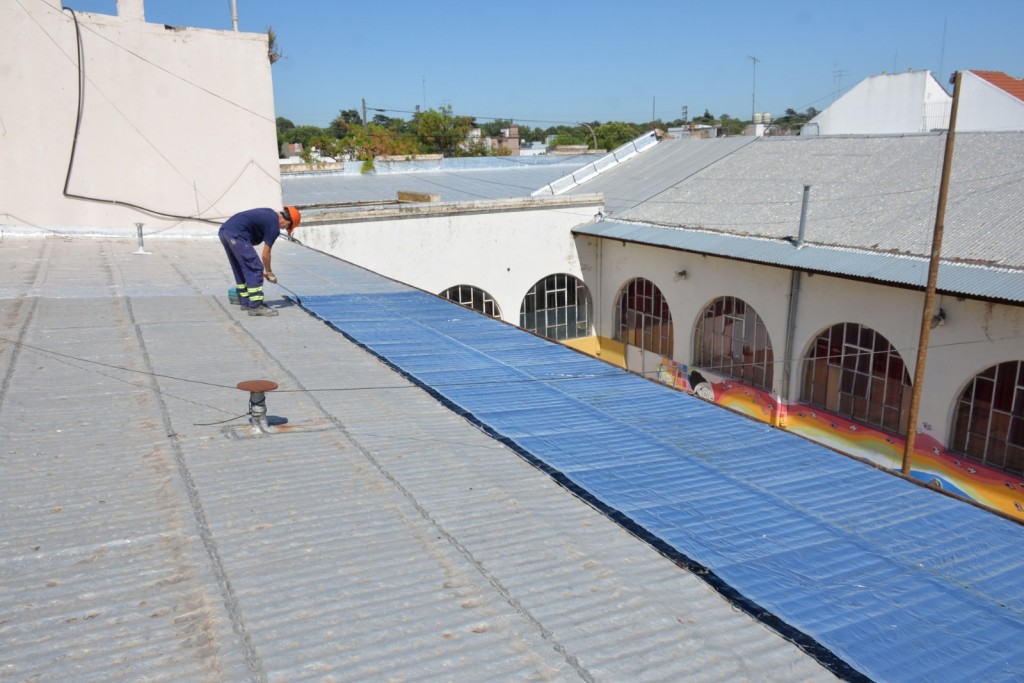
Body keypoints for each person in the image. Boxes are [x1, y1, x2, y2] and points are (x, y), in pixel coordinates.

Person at [218, 206, 300, 317]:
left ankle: (246, 301)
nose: (284, 229)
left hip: (225, 231)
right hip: (236, 234)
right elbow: (266, 254)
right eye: (287, 227)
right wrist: (269, 272)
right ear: (287, 221)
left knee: (241, 266)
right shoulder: (274, 226)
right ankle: (256, 306)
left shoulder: (269, 213)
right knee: (255, 267)